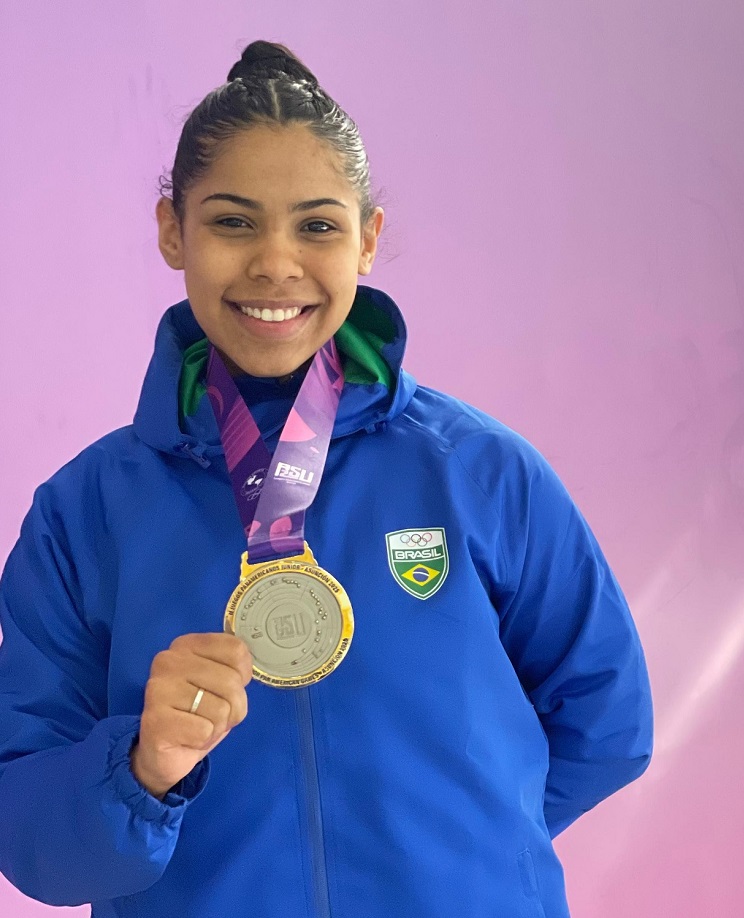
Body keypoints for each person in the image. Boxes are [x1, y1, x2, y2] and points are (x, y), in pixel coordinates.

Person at [0, 40, 652, 918]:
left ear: (368, 240)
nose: (276, 263)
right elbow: (30, 836)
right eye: (233, 221)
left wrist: (472, 855)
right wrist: (140, 771)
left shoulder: (480, 473)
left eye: (317, 225)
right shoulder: (86, 514)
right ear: (171, 229)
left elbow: (607, 725)